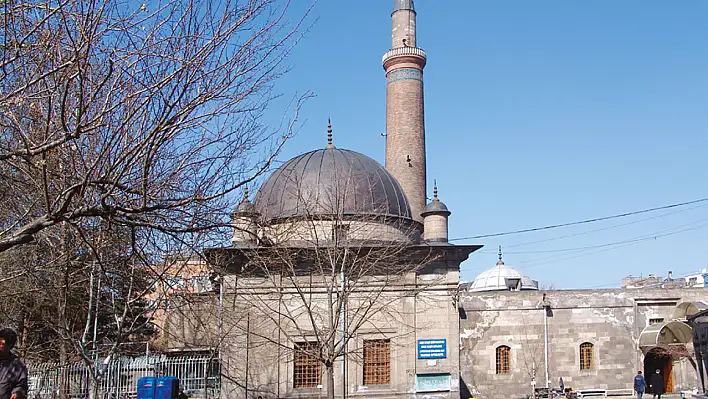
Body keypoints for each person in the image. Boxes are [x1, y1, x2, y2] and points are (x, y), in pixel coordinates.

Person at [0, 328, 28, 399]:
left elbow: (21, 386)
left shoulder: (18, 366)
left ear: (10, 346)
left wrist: (17, 393)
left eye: (2, 343)